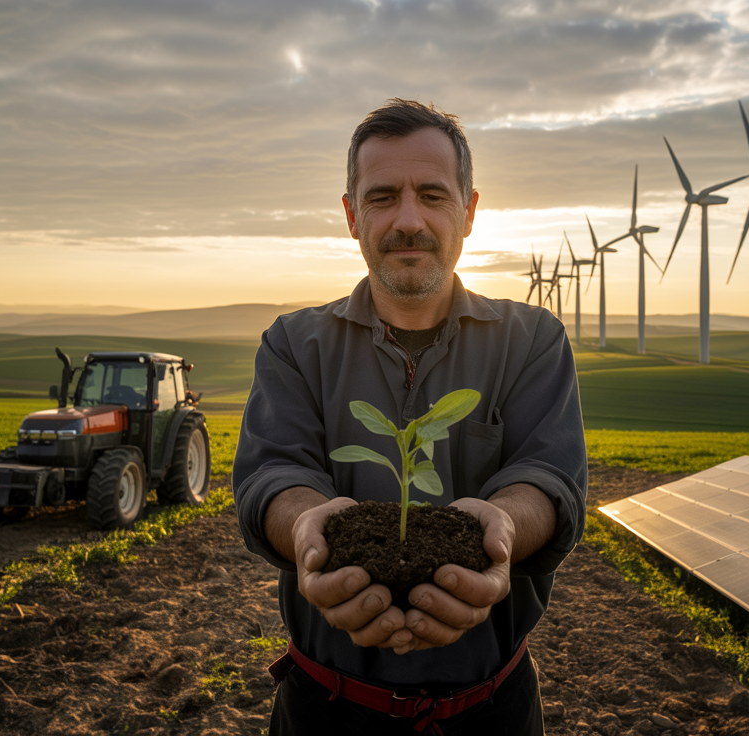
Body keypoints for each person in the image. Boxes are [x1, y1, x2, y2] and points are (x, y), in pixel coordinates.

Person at [233, 98, 587, 735]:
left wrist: (503, 522)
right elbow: (273, 476)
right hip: (327, 711)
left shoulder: (532, 339)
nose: (408, 220)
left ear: (470, 210)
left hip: (492, 711)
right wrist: (308, 524)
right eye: (382, 196)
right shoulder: (293, 343)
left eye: (431, 193)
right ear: (350, 215)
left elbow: (548, 476)